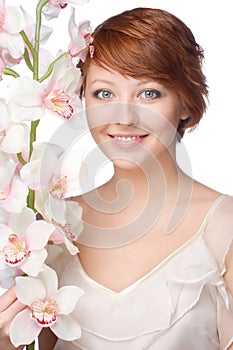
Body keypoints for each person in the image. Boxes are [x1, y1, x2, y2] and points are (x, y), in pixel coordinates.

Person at [1, 7, 233, 350]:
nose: (123, 116)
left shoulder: (223, 226)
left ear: (185, 103)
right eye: (104, 94)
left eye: (149, 93)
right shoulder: (53, 229)